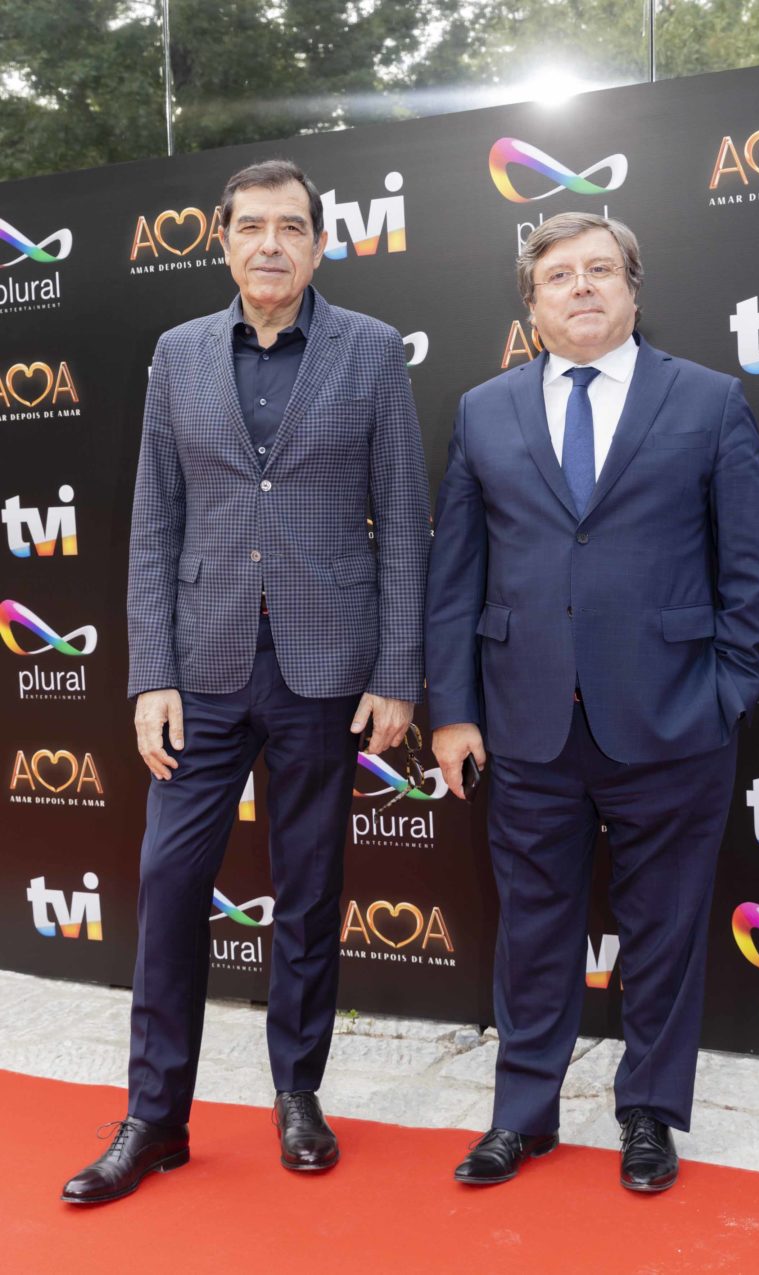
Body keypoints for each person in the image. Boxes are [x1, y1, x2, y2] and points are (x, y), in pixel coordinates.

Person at [61, 159, 430, 1205]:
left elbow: (406, 518)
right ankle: (154, 1118)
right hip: (204, 671)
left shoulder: (369, 350)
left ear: (320, 243)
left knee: (309, 889)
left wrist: (398, 672)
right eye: (252, 226)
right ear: (221, 238)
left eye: (292, 227)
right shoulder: (178, 353)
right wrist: (151, 673)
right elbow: (153, 521)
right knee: (171, 884)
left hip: (327, 669)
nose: (271, 244)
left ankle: (297, 1095)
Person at [425, 212, 759, 1193]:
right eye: (558, 276)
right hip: (525, 723)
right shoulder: (483, 411)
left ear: (632, 288)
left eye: (599, 270)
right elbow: (455, 577)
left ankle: (649, 1115)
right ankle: (521, 1115)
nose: (580, 287)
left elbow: (752, 566)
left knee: (664, 928)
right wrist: (453, 711)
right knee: (531, 929)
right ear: (531, 303)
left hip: (673, 720)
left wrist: (726, 690)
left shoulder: (707, 400)